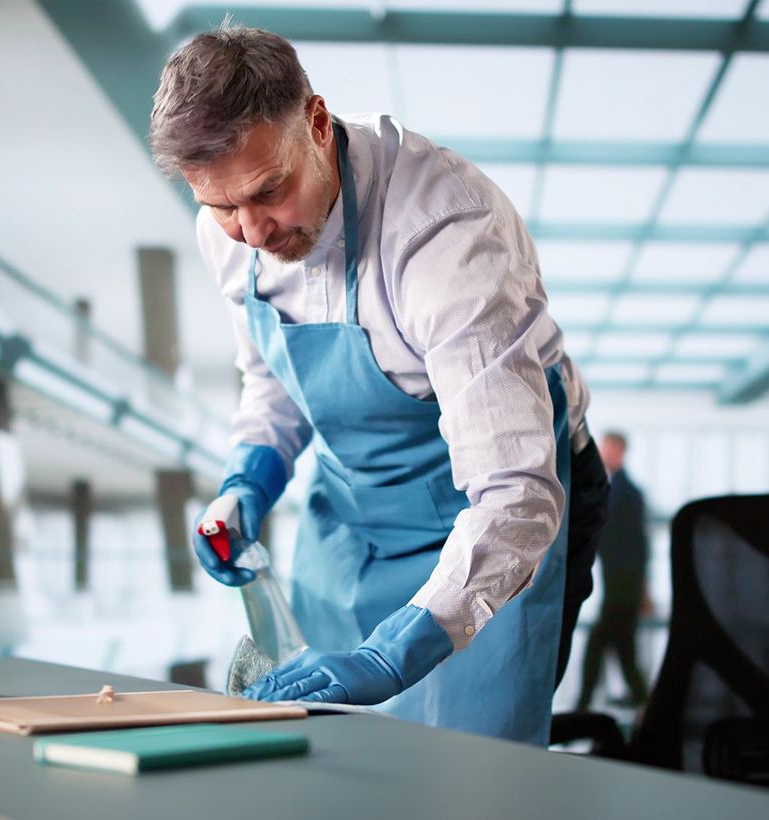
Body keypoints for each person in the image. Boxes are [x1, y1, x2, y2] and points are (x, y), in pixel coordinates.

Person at [150, 23, 609, 744]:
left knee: (469, 769)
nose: (252, 232)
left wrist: (393, 652)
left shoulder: (446, 234)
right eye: (220, 207)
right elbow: (274, 377)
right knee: (326, 750)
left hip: (496, 512)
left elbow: (515, 491)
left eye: (269, 192)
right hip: (353, 514)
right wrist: (248, 481)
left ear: (316, 122)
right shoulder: (233, 231)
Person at [576, 431, 651, 712]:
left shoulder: (623, 492)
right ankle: (641, 697)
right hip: (621, 582)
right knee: (622, 645)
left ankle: (583, 702)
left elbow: (633, 544)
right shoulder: (620, 489)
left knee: (599, 643)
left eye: (607, 447)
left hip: (623, 583)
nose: (603, 452)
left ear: (618, 450)